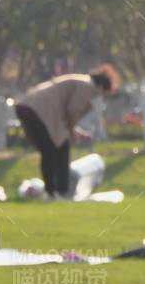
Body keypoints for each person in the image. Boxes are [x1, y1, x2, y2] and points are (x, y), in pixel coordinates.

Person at [15, 65, 119, 199]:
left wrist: (74, 131)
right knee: (58, 148)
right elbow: (72, 111)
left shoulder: (82, 82)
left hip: (32, 108)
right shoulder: (87, 86)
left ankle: (53, 191)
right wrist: (71, 132)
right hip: (39, 110)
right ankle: (59, 192)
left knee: (51, 150)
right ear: (100, 87)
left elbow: (66, 115)